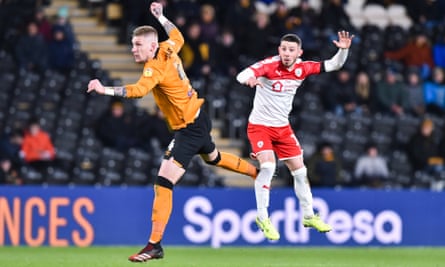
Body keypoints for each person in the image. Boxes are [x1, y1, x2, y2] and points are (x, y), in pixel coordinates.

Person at [87, 2, 258, 262]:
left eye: (138, 45)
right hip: (199, 117)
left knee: (163, 182)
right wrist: (162, 17)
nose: (133, 49)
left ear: (152, 47)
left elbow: (137, 91)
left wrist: (104, 89)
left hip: (189, 128)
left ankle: (154, 244)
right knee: (213, 158)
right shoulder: (168, 47)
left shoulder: (154, 67)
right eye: (133, 44)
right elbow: (178, 36)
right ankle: (257, 172)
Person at [236, 30, 354, 240]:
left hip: (282, 128)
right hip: (260, 126)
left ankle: (308, 215)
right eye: (283, 49)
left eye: (291, 50)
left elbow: (334, 65)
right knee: (268, 166)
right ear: (278, 50)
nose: (287, 53)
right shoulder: (269, 65)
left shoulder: (303, 68)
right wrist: (251, 79)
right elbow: (241, 75)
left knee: (300, 172)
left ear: (299, 52)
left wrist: (343, 51)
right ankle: (263, 217)